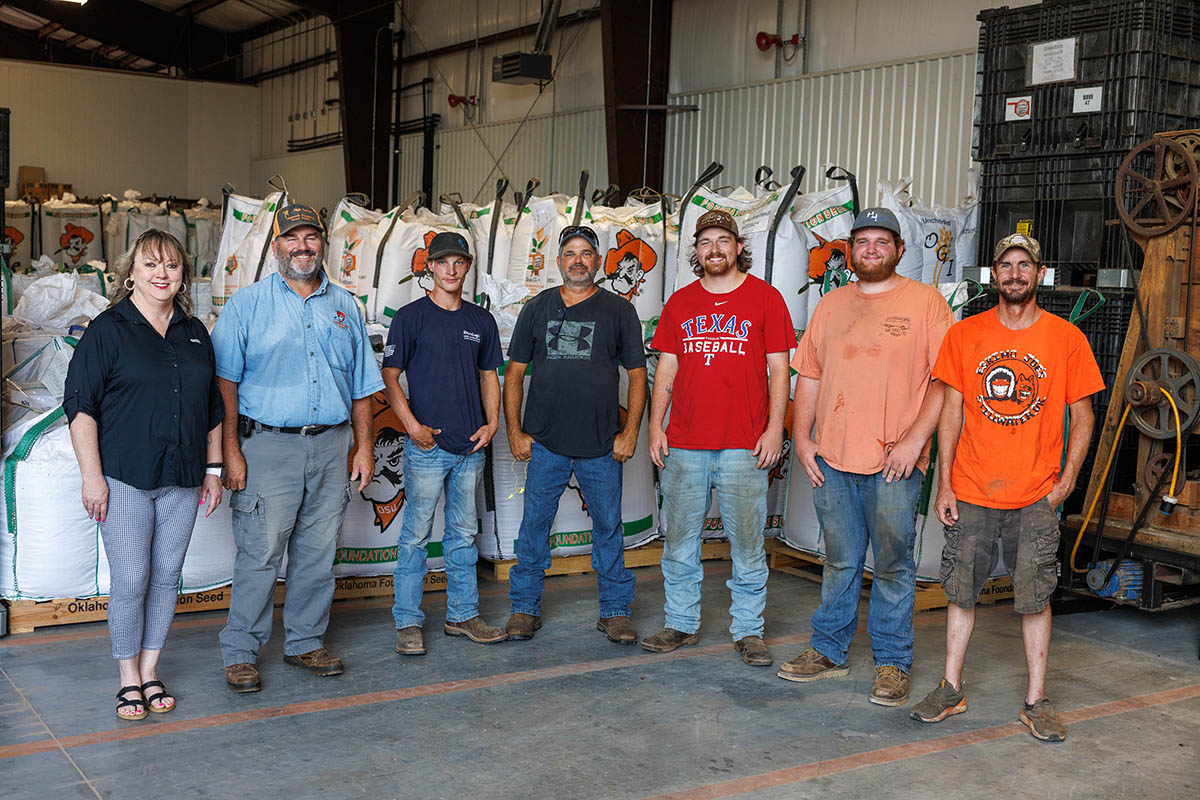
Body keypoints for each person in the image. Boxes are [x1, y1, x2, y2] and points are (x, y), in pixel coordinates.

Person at [910, 233, 1102, 742]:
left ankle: (1036, 700)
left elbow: (1083, 417)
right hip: (972, 487)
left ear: (1039, 274)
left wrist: (1068, 479)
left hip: (1036, 494)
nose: (1015, 273)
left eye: (1024, 265)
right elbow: (951, 411)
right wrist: (945, 483)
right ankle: (951, 688)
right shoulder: (965, 334)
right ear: (993, 274)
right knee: (960, 591)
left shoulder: (1066, 339)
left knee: (1036, 597)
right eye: (1005, 265)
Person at [779, 208, 952, 705]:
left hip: (895, 461)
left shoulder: (926, 303)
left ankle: (893, 662)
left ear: (899, 250)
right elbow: (808, 374)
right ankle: (829, 649)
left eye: (882, 241)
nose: (872, 249)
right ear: (850, 251)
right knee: (839, 560)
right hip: (832, 457)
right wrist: (804, 435)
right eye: (862, 242)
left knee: (894, 564)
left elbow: (945, 379)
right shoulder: (831, 305)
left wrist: (917, 441)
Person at [212, 203, 383, 693]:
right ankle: (241, 650)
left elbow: (362, 387)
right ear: (276, 246)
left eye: (311, 237)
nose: (302, 246)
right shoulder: (247, 306)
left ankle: (305, 642)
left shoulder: (347, 306)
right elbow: (224, 385)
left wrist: (364, 448)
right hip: (266, 447)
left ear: (323, 244)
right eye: (292, 238)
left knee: (317, 551)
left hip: (332, 447)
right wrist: (231, 451)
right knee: (260, 552)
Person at [64, 229, 224, 721]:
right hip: (126, 476)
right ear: (130, 272)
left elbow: (211, 407)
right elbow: (80, 406)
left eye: (172, 266)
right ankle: (127, 676)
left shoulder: (195, 332)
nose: (161, 274)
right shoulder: (108, 330)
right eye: (151, 265)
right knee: (132, 577)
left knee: (165, 577)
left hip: (183, 476)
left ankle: (151, 668)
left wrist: (213, 468)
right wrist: (93, 478)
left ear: (182, 276)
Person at [644, 209, 795, 666]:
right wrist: (655, 426)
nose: (714, 249)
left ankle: (748, 631)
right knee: (680, 543)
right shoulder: (680, 303)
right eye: (705, 241)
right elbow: (665, 370)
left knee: (748, 545)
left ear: (738, 248)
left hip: (744, 446)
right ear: (696, 251)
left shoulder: (766, 299)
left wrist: (775, 429)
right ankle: (681, 623)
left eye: (722, 241)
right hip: (685, 444)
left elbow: (780, 372)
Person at [503, 225, 648, 643]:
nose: (578, 261)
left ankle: (615, 610)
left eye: (586, 253)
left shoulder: (619, 311)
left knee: (607, 527)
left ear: (598, 262)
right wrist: (516, 430)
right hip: (546, 442)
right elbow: (513, 374)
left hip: (602, 444)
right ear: (559, 261)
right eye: (570, 253)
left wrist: (630, 431)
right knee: (534, 527)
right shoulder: (537, 307)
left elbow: (638, 376)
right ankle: (524, 608)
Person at [381, 231, 506, 655]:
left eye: (459, 262)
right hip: (427, 448)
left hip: (470, 446)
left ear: (467, 267)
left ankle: (463, 615)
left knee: (463, 536)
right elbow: (390, 376)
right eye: (443, 262)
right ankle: (408, 622)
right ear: (429, 267)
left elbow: (490, 376)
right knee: (415, 536)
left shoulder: (480, 321)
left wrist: (491, 424)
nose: (451, 270)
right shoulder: (410, 317)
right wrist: (412, 426)